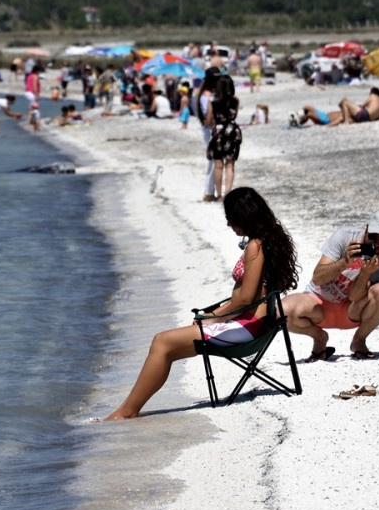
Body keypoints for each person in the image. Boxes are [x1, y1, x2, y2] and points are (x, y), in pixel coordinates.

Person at [105, 187, 299, 420]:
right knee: (165, 346)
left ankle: (126, 412)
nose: (229, 224)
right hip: (252, 323)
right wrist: (214, 314)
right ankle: (128, 409)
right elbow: (249, 297)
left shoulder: (255, 247)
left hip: (247, 327)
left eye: (230, 218)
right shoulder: (269, 241)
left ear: (243, 216)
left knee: (162, 341)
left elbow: (246, 298)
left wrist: (212, 317)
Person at [281, 210, 379, 362]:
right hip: (318, 302)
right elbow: (317, 279)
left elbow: (355, 297)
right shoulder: (344, 236)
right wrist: (345, 261)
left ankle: (359, 341)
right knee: (281, 312)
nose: (376, 244)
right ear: (367, 228)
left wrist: (365, 274)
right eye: (373, 236)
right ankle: (319, 338)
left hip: (350, 310)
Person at [206, 74, 242, 200]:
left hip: (219, 133)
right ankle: (228, 194)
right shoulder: (235, 101)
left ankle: (219, 195)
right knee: (230, 165)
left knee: (218, 165)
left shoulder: (213, 102)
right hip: (232, 132)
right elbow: (234, 116)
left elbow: (208, 121)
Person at [196, 67, 220, 202]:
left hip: (213, 129)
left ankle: (211, 192)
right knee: (213, 161)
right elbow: (208, 118)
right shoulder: (206, 96)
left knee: (214, 161)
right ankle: (209, 192)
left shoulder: (212, 94)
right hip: (210, 130)